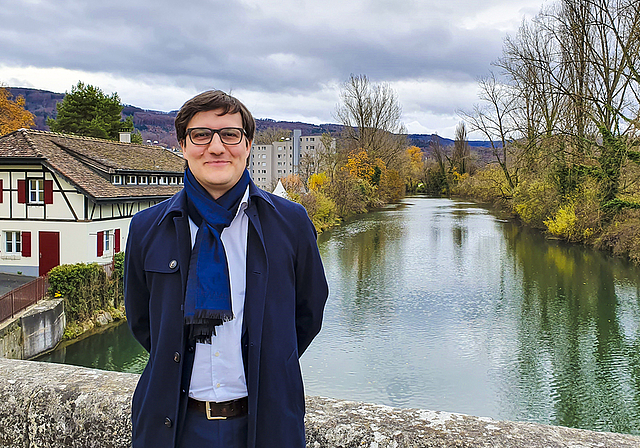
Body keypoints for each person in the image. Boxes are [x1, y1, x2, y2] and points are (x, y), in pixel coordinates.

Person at [124, 90, 329, 448]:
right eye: (201, 135)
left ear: (248, 145)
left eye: (230, 135)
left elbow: (308, 315)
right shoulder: (147, 228)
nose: (216, 147)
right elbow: (143, 323)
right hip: (172, 427)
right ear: (183, 145)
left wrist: (269, 359)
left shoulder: (291, 223)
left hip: (267, 425)